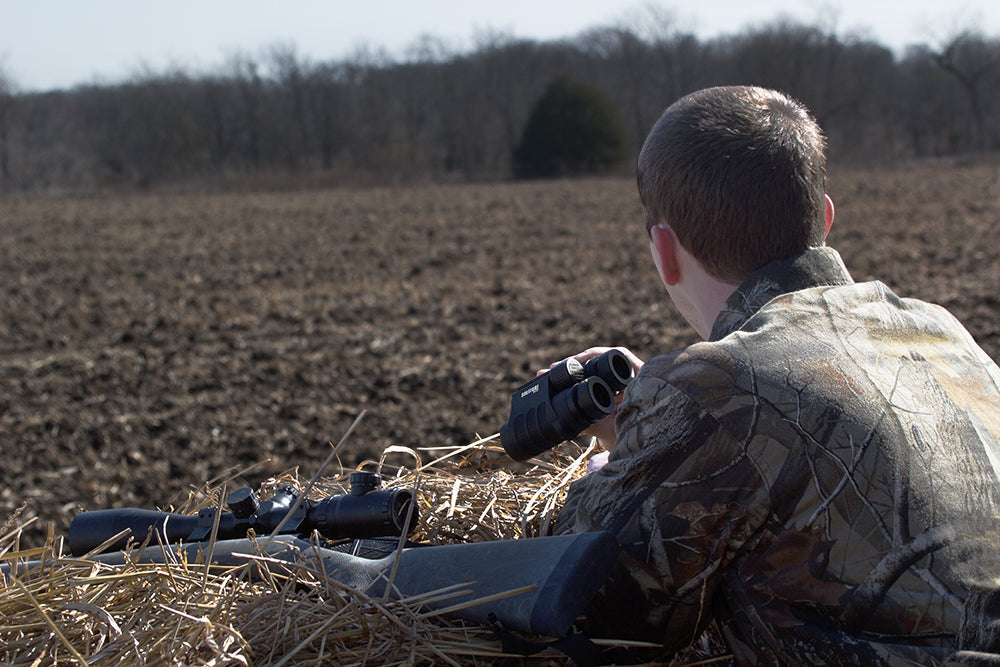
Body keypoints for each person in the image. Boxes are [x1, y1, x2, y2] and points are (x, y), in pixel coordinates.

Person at [554, 85, 1000, 665]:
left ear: (664, 251)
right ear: (827, 217)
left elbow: (589, 609)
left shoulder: (716, 388)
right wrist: (652, 428)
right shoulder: (944, 333)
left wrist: (614, 465)